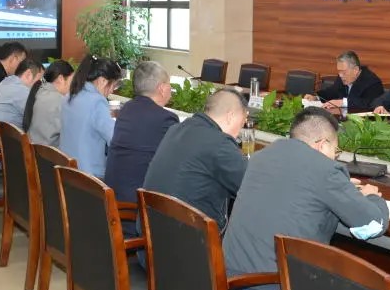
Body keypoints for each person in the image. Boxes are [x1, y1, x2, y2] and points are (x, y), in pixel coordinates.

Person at [222, 107, 389, 290]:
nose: (335, 157)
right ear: (323, 145)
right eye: (336, 151)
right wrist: (372, 197)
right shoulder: (325, 170)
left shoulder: (261, 157)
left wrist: (341, 188)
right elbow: (373, 226)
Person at [142, 88, 248, 232]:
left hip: (152, 232)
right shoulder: (220, 143)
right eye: (242, 124)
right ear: (230, 116)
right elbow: (250, 185)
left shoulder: (175, 129)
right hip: (191, 240)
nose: (239, 133)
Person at [104, 61, 177, 219]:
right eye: (169, 84)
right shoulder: (166, 119)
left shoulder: (126, 109)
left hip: (114, 198)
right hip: (137, 208)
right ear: (162, 88)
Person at [59, 56, 123, 178]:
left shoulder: (70, 95)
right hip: (89, 176)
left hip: (67, 170)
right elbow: (115, 139)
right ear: (102, 81)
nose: (111, 91)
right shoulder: (97, 102)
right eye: (113, 86)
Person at [0, 59, 43, 138]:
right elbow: (40, 117)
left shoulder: (7, 82)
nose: (41, 87)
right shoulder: (21, 91)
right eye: (40, 81)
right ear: (28, 74)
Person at [308, 50, 385, 113]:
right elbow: (333, 91)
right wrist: (316, 97)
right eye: (339, 71)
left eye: (344, 72)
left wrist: (342, 102)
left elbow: (369, 103)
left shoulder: (372, 82)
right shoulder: (342, 76)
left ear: (355, 70)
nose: (340, 75)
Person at [23, 60, 74, 147]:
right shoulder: (60, 101)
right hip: (49, 153)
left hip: (35, 150)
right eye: (72, 80)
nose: (73, 86)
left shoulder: (40, 91)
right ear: (61, 79)